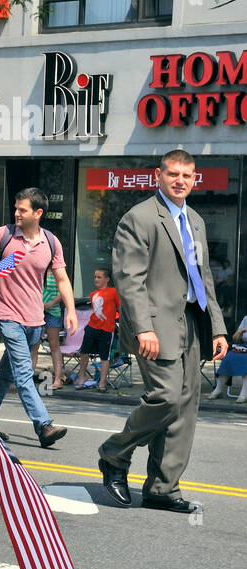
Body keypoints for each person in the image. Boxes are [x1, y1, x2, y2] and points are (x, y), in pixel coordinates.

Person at [98, 149, 228, 513]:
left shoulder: (196, 221)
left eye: (188, 175)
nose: (181, 181)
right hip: (154, 326)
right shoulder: (139, 218)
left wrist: (217, 327)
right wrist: (142, 328)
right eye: (174, 174)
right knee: (166, 397)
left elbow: (204, 280)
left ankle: (162, 487)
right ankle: (114, 454)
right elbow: (129, 279)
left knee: (185, 408)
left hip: (192, 322)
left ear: (194, 178)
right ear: (159, 175)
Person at [0, 188, 77, 448]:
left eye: (23, 210)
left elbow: (62, 279)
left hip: (36, 319)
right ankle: (43, 425)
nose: (17, 213)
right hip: (8, 316)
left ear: (38, 213)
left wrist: (71, 310)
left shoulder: (51, 242)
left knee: (5, 375)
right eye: (16, 208)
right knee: (23, 373)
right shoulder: (4, 235)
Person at [75, 269, 120, 391]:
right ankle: (82, 376)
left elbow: (119, 307)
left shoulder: (113, 291)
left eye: (99, 277)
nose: (96, 279)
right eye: (95, 277)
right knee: (84, 352)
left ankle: (102, 382)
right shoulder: (93, 293)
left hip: (106, 329)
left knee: (104, 357)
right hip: (92, 327)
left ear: (107, 279)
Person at [37, 270, 67, 389]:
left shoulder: (57, 272)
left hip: (52, 311)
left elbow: (64, 290)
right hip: (36, 310)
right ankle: (27, 380)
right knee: (34, 346)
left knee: (54, 345)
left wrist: (50, 303)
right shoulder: (38, 269)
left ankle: (58, 379)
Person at [209, 315, 247, 402]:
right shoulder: (246, 318)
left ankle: (244, 394)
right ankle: (218, 390)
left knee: (246, 361)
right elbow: (235, 338)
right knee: (228, 358)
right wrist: (240, 331)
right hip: (243, 347)